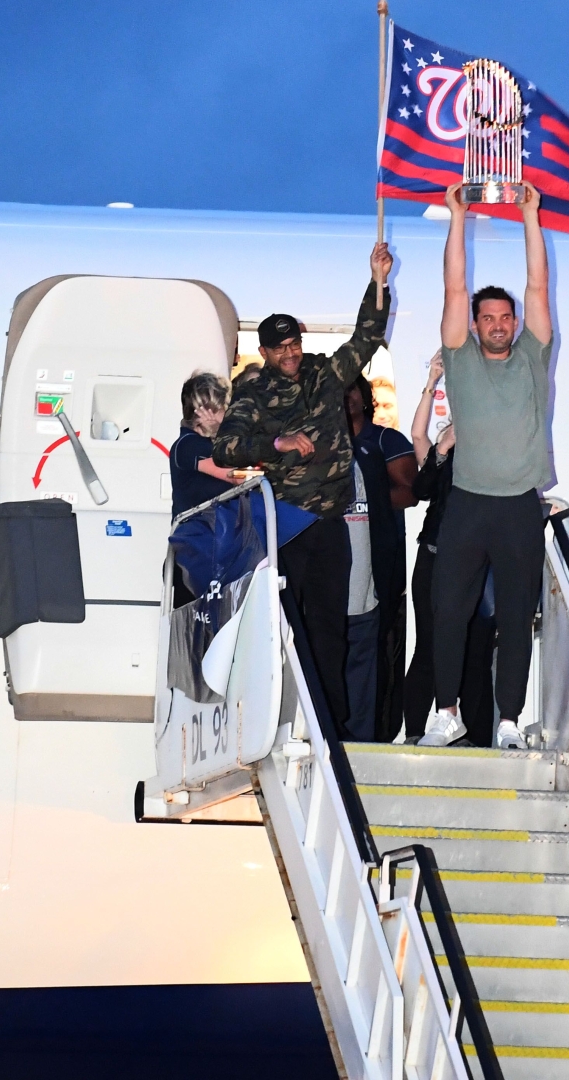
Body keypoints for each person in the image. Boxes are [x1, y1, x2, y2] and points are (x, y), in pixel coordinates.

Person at [214, 241, 394, 737]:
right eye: (281, 348)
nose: (290, 353)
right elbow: (227, 448)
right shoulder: (252, 392)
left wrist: (377, 281)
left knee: (331, 629)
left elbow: (367, 336)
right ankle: (287, 717)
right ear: (266, 352)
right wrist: (276, 441)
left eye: (294, 343)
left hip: (330, 523)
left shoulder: (326, 373)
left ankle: (329, 725)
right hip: (287, 526)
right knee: (286, 627)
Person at [423, 182, 555, 750]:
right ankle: (446, 713)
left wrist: (530, 216)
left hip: (520, 503)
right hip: (469, 503)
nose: (499, 324)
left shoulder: (533, 353)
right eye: (489, 318)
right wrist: (458, 216)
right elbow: (454, 284)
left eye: (507, 317)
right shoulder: (460, 358)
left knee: (516, 617)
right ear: (474, 325)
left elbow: (538, 284)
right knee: (448, 612)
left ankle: (507, 722)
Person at [403, 355, 498, 746]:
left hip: (478, 559)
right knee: (428, 643)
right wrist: (431, 382)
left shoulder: (496, 447)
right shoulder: (446, 446)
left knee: (476, 647)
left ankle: (475, 736)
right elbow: (418, 444)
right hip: (435, 553)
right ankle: (414, 731)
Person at [344, 375, 416, 742]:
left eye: (353, 388)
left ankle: (372, 734)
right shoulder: (320, 443)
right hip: (332, 569)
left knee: (374, 659)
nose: (348, 396)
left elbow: (410, 492)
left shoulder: (386, 440)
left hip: (378, 570)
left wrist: (369, 494)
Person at [169, 372, 237, 519]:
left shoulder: (195, 443)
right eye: (224, 408)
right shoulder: (190, 445)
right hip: (200, 535)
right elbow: (235, 476)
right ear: (207, 411)